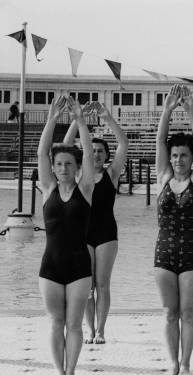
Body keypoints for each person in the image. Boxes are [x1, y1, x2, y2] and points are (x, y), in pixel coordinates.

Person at [38, 95, 94, 375]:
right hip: (51, 267)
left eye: (68, 164)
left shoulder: (86, 189)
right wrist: (51, 119)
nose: (62, 168)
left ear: (76, 166)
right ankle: (58, 372)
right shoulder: (47, 189)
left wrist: (80, 121)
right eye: (58, 164)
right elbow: (41, 152)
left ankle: (71, 372)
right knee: (56, 323)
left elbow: (89, 154)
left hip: (79, 268)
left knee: (74, 324)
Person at [155, 85, 193, 375]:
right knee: (169, 313)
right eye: (174, 155)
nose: (178, 160)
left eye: (184, 155)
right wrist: (166, 111)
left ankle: (186, 363)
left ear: (191, 158)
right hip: (163, 252)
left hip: (192, 252)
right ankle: (172, 363)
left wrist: (190, 111)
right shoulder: (163, 177)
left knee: (188, 313)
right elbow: (159, 141)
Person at [63, 102, 128, 344]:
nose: (98, 155)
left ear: (106, 156)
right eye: (94, 151)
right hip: (83, 234)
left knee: (102, 283)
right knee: (86, 285)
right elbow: (65, 146)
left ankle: (101, 330)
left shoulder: (112, 175)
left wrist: (107, 117)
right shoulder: (81, 175)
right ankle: (89, 330)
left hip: (106, 234)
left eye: (102, 152)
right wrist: (76, 119)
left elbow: (124, 143)